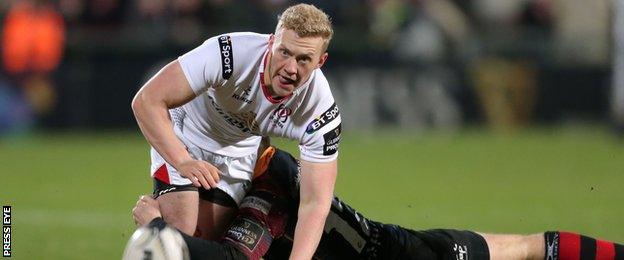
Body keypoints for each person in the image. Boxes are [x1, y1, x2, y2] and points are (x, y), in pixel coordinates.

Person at [131, 146, 624, 260]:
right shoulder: (260, 183)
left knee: (523, 248)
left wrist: (156, 229)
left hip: (387, 252)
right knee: (521, 248)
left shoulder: (266, 195)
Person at [131, 4, 341, 259]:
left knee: (200, 248)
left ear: (321, 61)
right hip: (185, 136)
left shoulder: (319, 108)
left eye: (304, 59)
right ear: (271, 43)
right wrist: (183, 160)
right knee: (176, 240)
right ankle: (155, 231)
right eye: (285, 52)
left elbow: (315, 203)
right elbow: (146, 101)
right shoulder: (229, 53)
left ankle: (152, 224)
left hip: (239, 156)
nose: (290, 67)